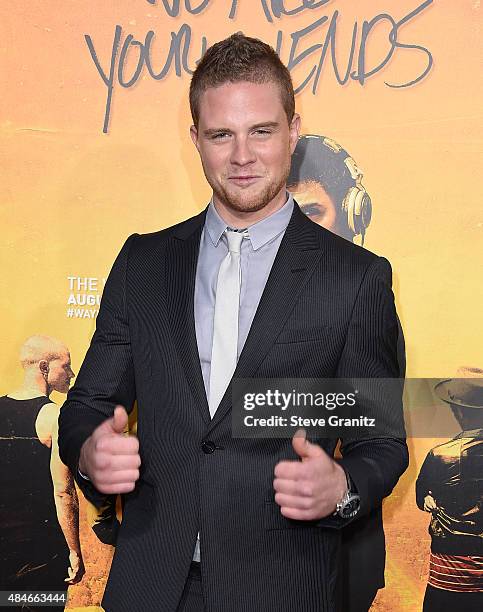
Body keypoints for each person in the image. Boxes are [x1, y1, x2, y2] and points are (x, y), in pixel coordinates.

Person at [58, 33, 408, 612]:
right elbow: (86, 405)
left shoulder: (357, 277)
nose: (242, 156)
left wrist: (343, 487)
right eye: (222, 134)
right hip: (149, 585)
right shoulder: (143, 263)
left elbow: (383, 442)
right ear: (196, 139)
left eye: (261, 131)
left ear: (293, 129)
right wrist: (89, 450)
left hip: (282, 591)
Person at [289, 134, 405, 611]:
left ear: (354, 213)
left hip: (334, 555)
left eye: (314, 212)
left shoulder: (366, 299)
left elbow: (374, 440)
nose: (301, 230)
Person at [0, 335, 84, 604]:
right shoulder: (54, 416)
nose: (71, 374)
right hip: (40, 550)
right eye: (66, 366)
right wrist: (74, 550)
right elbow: (63, 492)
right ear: (44, 367)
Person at [416, 367, 483, 612]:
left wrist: (428, 499)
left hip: (449, 571)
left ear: (458, 411)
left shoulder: (439, 455)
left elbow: (421, 496)